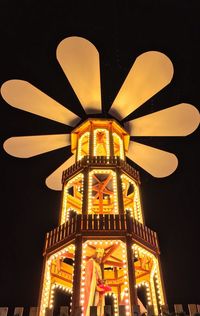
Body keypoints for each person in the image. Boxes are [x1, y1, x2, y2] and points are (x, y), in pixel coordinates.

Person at [84, 248, 111, 316]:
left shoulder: (98, 265)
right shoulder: (90, 262)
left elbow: (99, 278)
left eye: (101, 257)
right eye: (99, 256)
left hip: (98, 290)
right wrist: (95, 287)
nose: (100, 258)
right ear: (96, 254)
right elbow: (88, 277)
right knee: (93, 306)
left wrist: (103, 282)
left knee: (99, 306)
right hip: (93, 290)